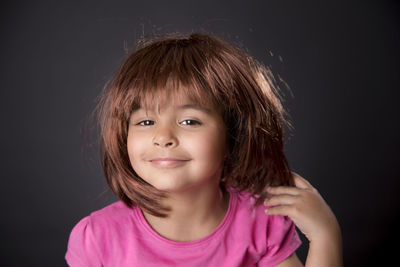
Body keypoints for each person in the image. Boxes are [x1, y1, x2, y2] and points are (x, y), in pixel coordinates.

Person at [65, 32, 342, 266]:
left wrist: (325, 234)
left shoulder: (260, 223)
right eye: (146, 121)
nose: (163, 137)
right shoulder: (96, 238)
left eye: (189, 121)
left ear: (233, 134)